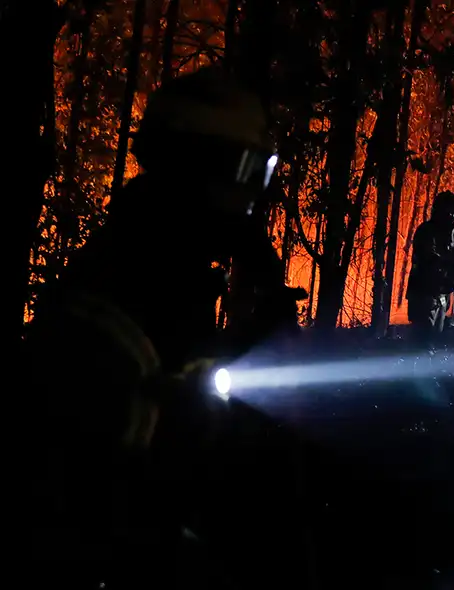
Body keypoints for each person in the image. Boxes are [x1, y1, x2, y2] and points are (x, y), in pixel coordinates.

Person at [25, 66, 290, 587]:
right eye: (249, 171)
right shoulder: (124, 300)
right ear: (203, 169)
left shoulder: (170, 273)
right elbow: (87, 511)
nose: (255, 196)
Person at [406, 191, 454, 348]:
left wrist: (452, 282)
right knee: (421, 341)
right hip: (422, 293)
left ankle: (427, 368)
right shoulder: (426, 231)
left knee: (434, 338)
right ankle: (416, 370)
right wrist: (444, 267)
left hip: (442, 295)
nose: (453, 215)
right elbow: (427, 259)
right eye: (449, 210)